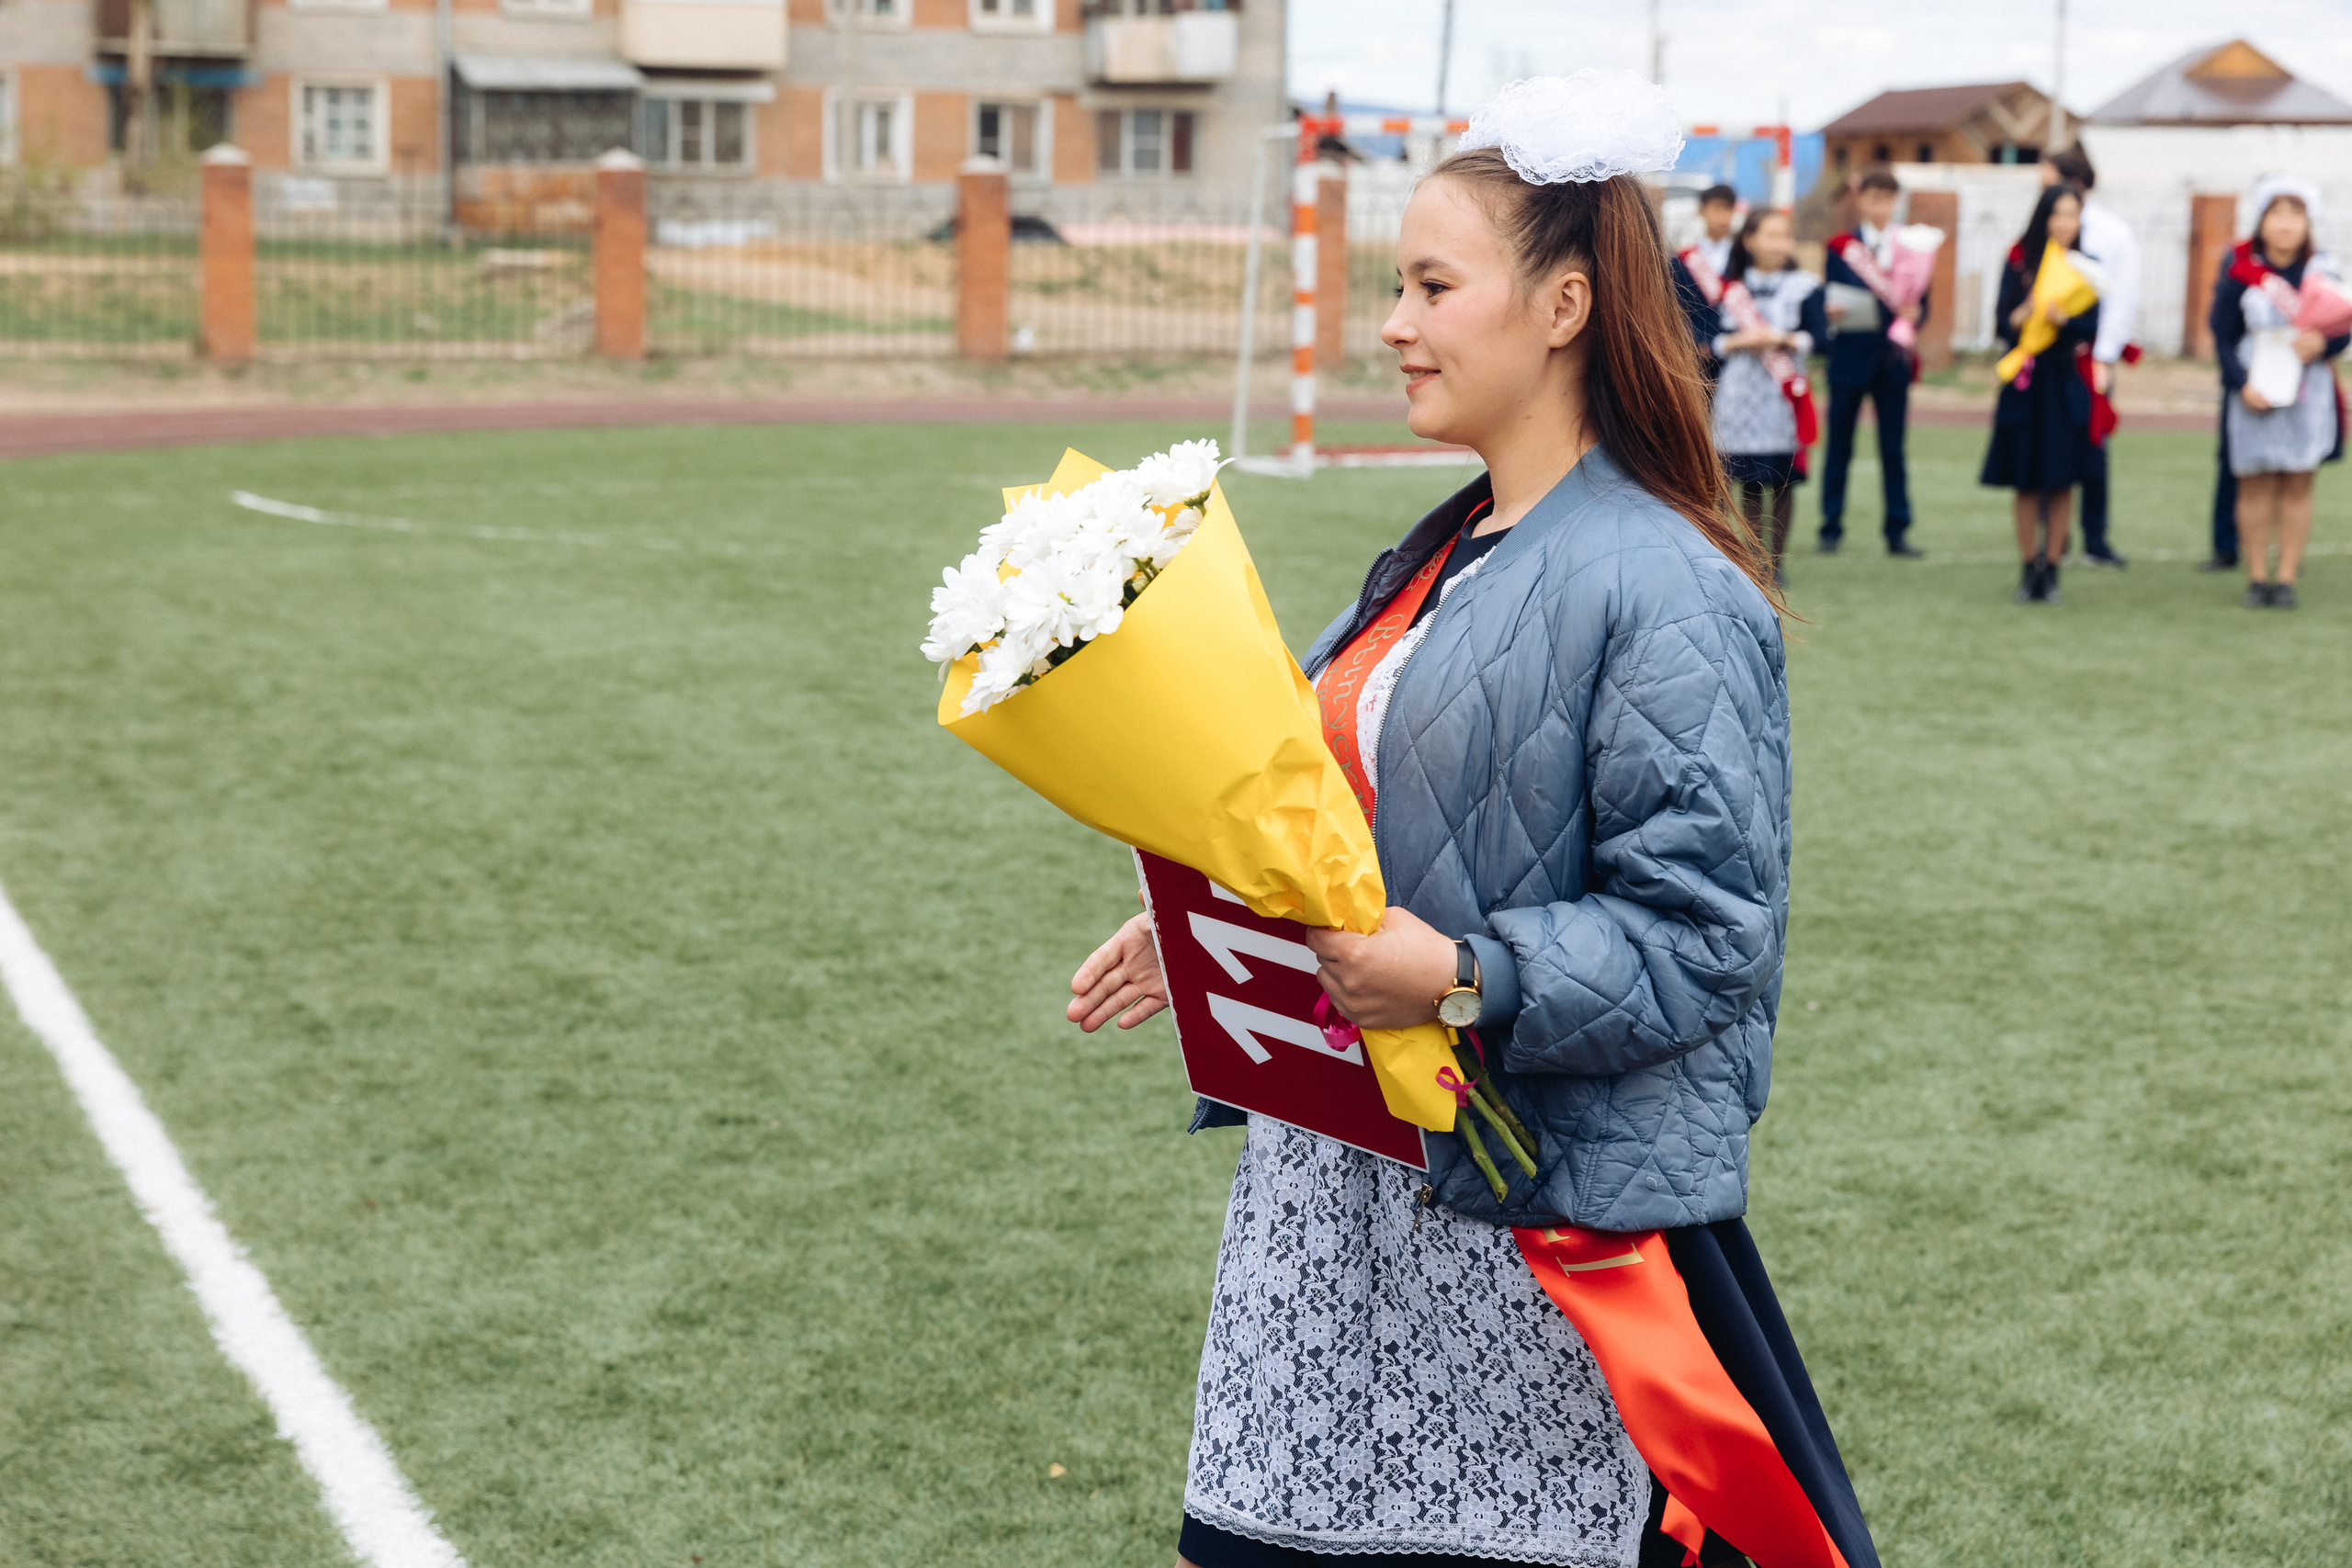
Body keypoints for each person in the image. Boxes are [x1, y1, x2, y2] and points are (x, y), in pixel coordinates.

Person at [1067, 72, 1878, 1568]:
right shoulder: (1436, 554)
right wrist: (1212, 919)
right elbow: (1351, 820)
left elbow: (1707, 946)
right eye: (1394, 283)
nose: (1394, 321)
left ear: (1564, 304)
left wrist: (1461, 975)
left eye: (1434, 283)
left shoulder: (1674, 586)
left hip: (1534, 1239)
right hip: (1326, 1212)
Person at [2211, 175, 2349, 609]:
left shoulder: (2324, 272)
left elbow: (2343, 331)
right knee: (2254, 484)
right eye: (2277, 213)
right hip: (2254, 388)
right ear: (2262, 220)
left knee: (2296, 483)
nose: (2286, 224)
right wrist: (2240, 384)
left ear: (2308, 224)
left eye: (2296, 215)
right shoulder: (2242, 272)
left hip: (2307, 391)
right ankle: (2256, 575)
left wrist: (2323, 344)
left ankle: (2286, 577)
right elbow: (2222, 334)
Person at [1981, 184, 2102, 604]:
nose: (2064, 223)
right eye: (2057, 214)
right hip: (2024, 381)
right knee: (2025, 480)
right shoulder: (2020, 262)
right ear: (2043, 217)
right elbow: (2000, 322)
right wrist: (2023, 314)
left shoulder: (2087, 267)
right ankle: (2027, 568)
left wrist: (2063, 320)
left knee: (2062, 478)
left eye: (2072, 214)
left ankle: (2052, 571)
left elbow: (2094, 329)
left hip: (2064, 380)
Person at [1709, 206, 1828, 585]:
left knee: (1780, 477)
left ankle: (1775, 561)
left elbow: (1821, 339)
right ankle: (1749, 556)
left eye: (1784, 236)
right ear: (1749, 240)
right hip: (1739, 392)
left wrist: (1782, 338)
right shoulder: (1727, 287)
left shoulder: (1804, 285)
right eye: (1770, 235)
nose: (1779, 244)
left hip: (1782, 393)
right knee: (1744, 477)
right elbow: (1707, 340)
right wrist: (1739, 341)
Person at [1819, 170, 1927, 557]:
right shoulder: (1841, 247)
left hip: (1892, 360)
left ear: (1896, 202)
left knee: (1893, 450)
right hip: (1849, 355)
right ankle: (1830, 527)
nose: (1881, 206)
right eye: (1874, 198)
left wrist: (1915, 315)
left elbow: (1921, 303)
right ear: (1861, 200)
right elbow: (1829, 297)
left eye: (1888, 199)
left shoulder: (1910, 246)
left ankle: (1897, 531)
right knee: (1839, 447)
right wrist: (1831, 312)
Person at [2041, 146, 2138, 567]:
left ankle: (2095, 538)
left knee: (2092, 445)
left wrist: (2104, 355)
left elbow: (2121, 298)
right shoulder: (2043, 227)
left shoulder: (2111, 233)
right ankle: (2053, 541)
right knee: (2049, 445)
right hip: (2048, 357)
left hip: (2090, 357)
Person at [1670, 183, 1741, 382]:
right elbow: (1675, 308)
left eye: (1728, 209)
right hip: (1695, 355)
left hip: (1738, 354)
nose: (1723, 217)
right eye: (1717, 208)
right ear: (1701, 212)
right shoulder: (1681, 262)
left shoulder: (1744, 259)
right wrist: (1694, 340)